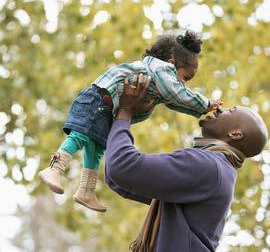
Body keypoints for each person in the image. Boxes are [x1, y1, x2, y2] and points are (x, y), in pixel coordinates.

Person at [38, 31, 222, 213]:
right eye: (185, 77)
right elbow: (177, 93)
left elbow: (175, 101)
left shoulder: (160, 83)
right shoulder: (161, 70)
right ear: (172, 63)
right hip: (98, 99)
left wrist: (201, 110)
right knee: (80, 136)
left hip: (107, 109)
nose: (183, 83)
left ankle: (86, 190)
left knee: (95, 149)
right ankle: (54, 169)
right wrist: (205, 102)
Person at [105, 79, 268, 251]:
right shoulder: (221, 170)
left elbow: (121, 167)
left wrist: (125, 111)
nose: (220, 108)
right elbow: (119, 179)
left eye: (230, 110)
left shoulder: (209, 166)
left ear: (235, 134)